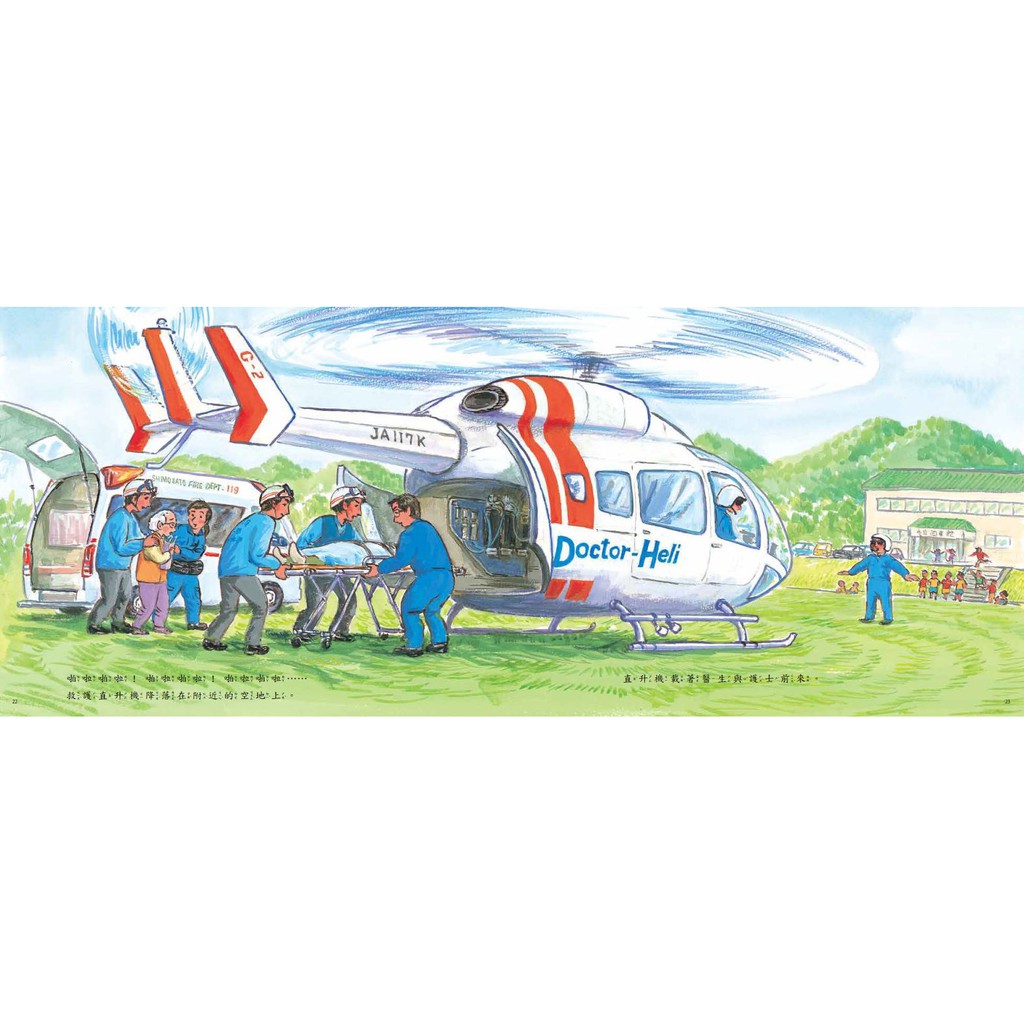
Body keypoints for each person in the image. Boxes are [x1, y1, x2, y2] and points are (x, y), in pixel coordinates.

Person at [202, 484, 292, 655]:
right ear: (273, 503)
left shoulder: (253, 519)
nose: (287, 511)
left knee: (228, 610)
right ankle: (252, 644)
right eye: (284, 504)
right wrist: (277, 565)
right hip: (242, 571)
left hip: (227, 570)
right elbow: (256, 556)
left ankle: (211, 639)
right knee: (261, 606)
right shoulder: (266, 522)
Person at [366, 493, 455, 657]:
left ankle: (414, 645)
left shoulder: (409, 534)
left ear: (408, 510)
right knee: (432, 610)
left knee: (410, 609)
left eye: (397, 512)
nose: (395, 519)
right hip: (446, 578)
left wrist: (378, 569)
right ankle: (439, 642)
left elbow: (401, 559)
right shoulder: (427, 527)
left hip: (429, 579)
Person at [293, 485, 367, 641]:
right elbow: (300, 546)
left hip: (339, 574)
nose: (359, 512)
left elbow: (361, 548)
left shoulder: (350, 530)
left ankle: (339, 631)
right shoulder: (322, 523)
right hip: (318, 573)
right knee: (317, 605)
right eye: (356, 506)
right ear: (344, 505)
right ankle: (301, 629)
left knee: (349, 600)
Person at [87, 478, 157, 634]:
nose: (148, 503)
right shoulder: (120, 517)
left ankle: (118, 622)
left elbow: (139, 537)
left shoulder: (131, 518)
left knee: (125, 596)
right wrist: (144, 543)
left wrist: (151, 539)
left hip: (123, 566)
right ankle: (94, 624)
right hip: (110, 566)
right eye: (146, 498)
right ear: (133, 498)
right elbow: (122, 547)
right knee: (110, 598)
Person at [839, 533, 918, 625]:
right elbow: (860, 565)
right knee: (870, 601)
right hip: (871, 582)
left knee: (885, 601)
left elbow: (897, 566)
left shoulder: (888, 559)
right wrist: (850, 572)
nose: (875, 545)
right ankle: (869, 617)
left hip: (884, 583)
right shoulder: (870, 558)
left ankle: (888, 618)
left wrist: (905, 574)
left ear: (885, 545)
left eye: (879, 543)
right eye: (873, 543)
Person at [166, 500, 213, 631]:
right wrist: (174, 550)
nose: (194, 519)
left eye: (200, 516)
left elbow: (196, 554)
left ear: (205, 520)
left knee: (193, 597)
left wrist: (181, 551)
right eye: (192, 514)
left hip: (190, 573)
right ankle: (157, 621)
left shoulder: (201, 537)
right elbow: (168, 542)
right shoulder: (179, 530)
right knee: (167, 596)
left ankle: (193, 622)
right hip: (175, 571)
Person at [132, 509, 176, 635]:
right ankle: (136, 626)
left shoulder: (161, 539)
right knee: (148, 606)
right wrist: (169, 552)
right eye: (171, 524)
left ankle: (159, 626)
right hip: (148, 579)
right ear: (160, 525)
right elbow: (158, 558)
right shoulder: (151, 540)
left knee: (163, 604)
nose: (173, 529)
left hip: (160, 578)